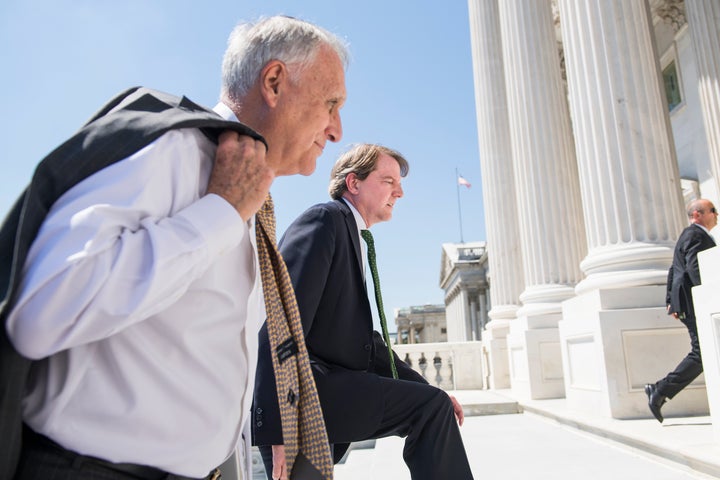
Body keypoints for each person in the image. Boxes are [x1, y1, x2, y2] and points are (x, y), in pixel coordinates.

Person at [2, 15, 348, 480]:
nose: (337, 129)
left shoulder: (252, 196)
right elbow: (41, 312)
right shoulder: (176, 152)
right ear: (273, 82)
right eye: (331, 103)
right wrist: (219, 213)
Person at [253, 144, 475, 480]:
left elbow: (363, 343)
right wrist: (277, 425)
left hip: (326, 394)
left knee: (432, 404)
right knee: (430, 411)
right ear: (353, 183)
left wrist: (431, 389)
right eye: (388, 180)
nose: (399, 192)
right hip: (306, 396)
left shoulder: (351, 233)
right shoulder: (325, 220)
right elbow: (281, 321)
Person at [645, 198, 718, 423]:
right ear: (698, 215)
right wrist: (709, 295)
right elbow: (693, 266)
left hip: (686, 301)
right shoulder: (696, 234)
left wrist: (670, 299)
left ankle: (659, 390)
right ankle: (659, 391)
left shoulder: (691, 235)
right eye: (713, 210)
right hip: (693, 302)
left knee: (705, 352)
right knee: (702, 352)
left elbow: (674, 268)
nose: (716, 214)